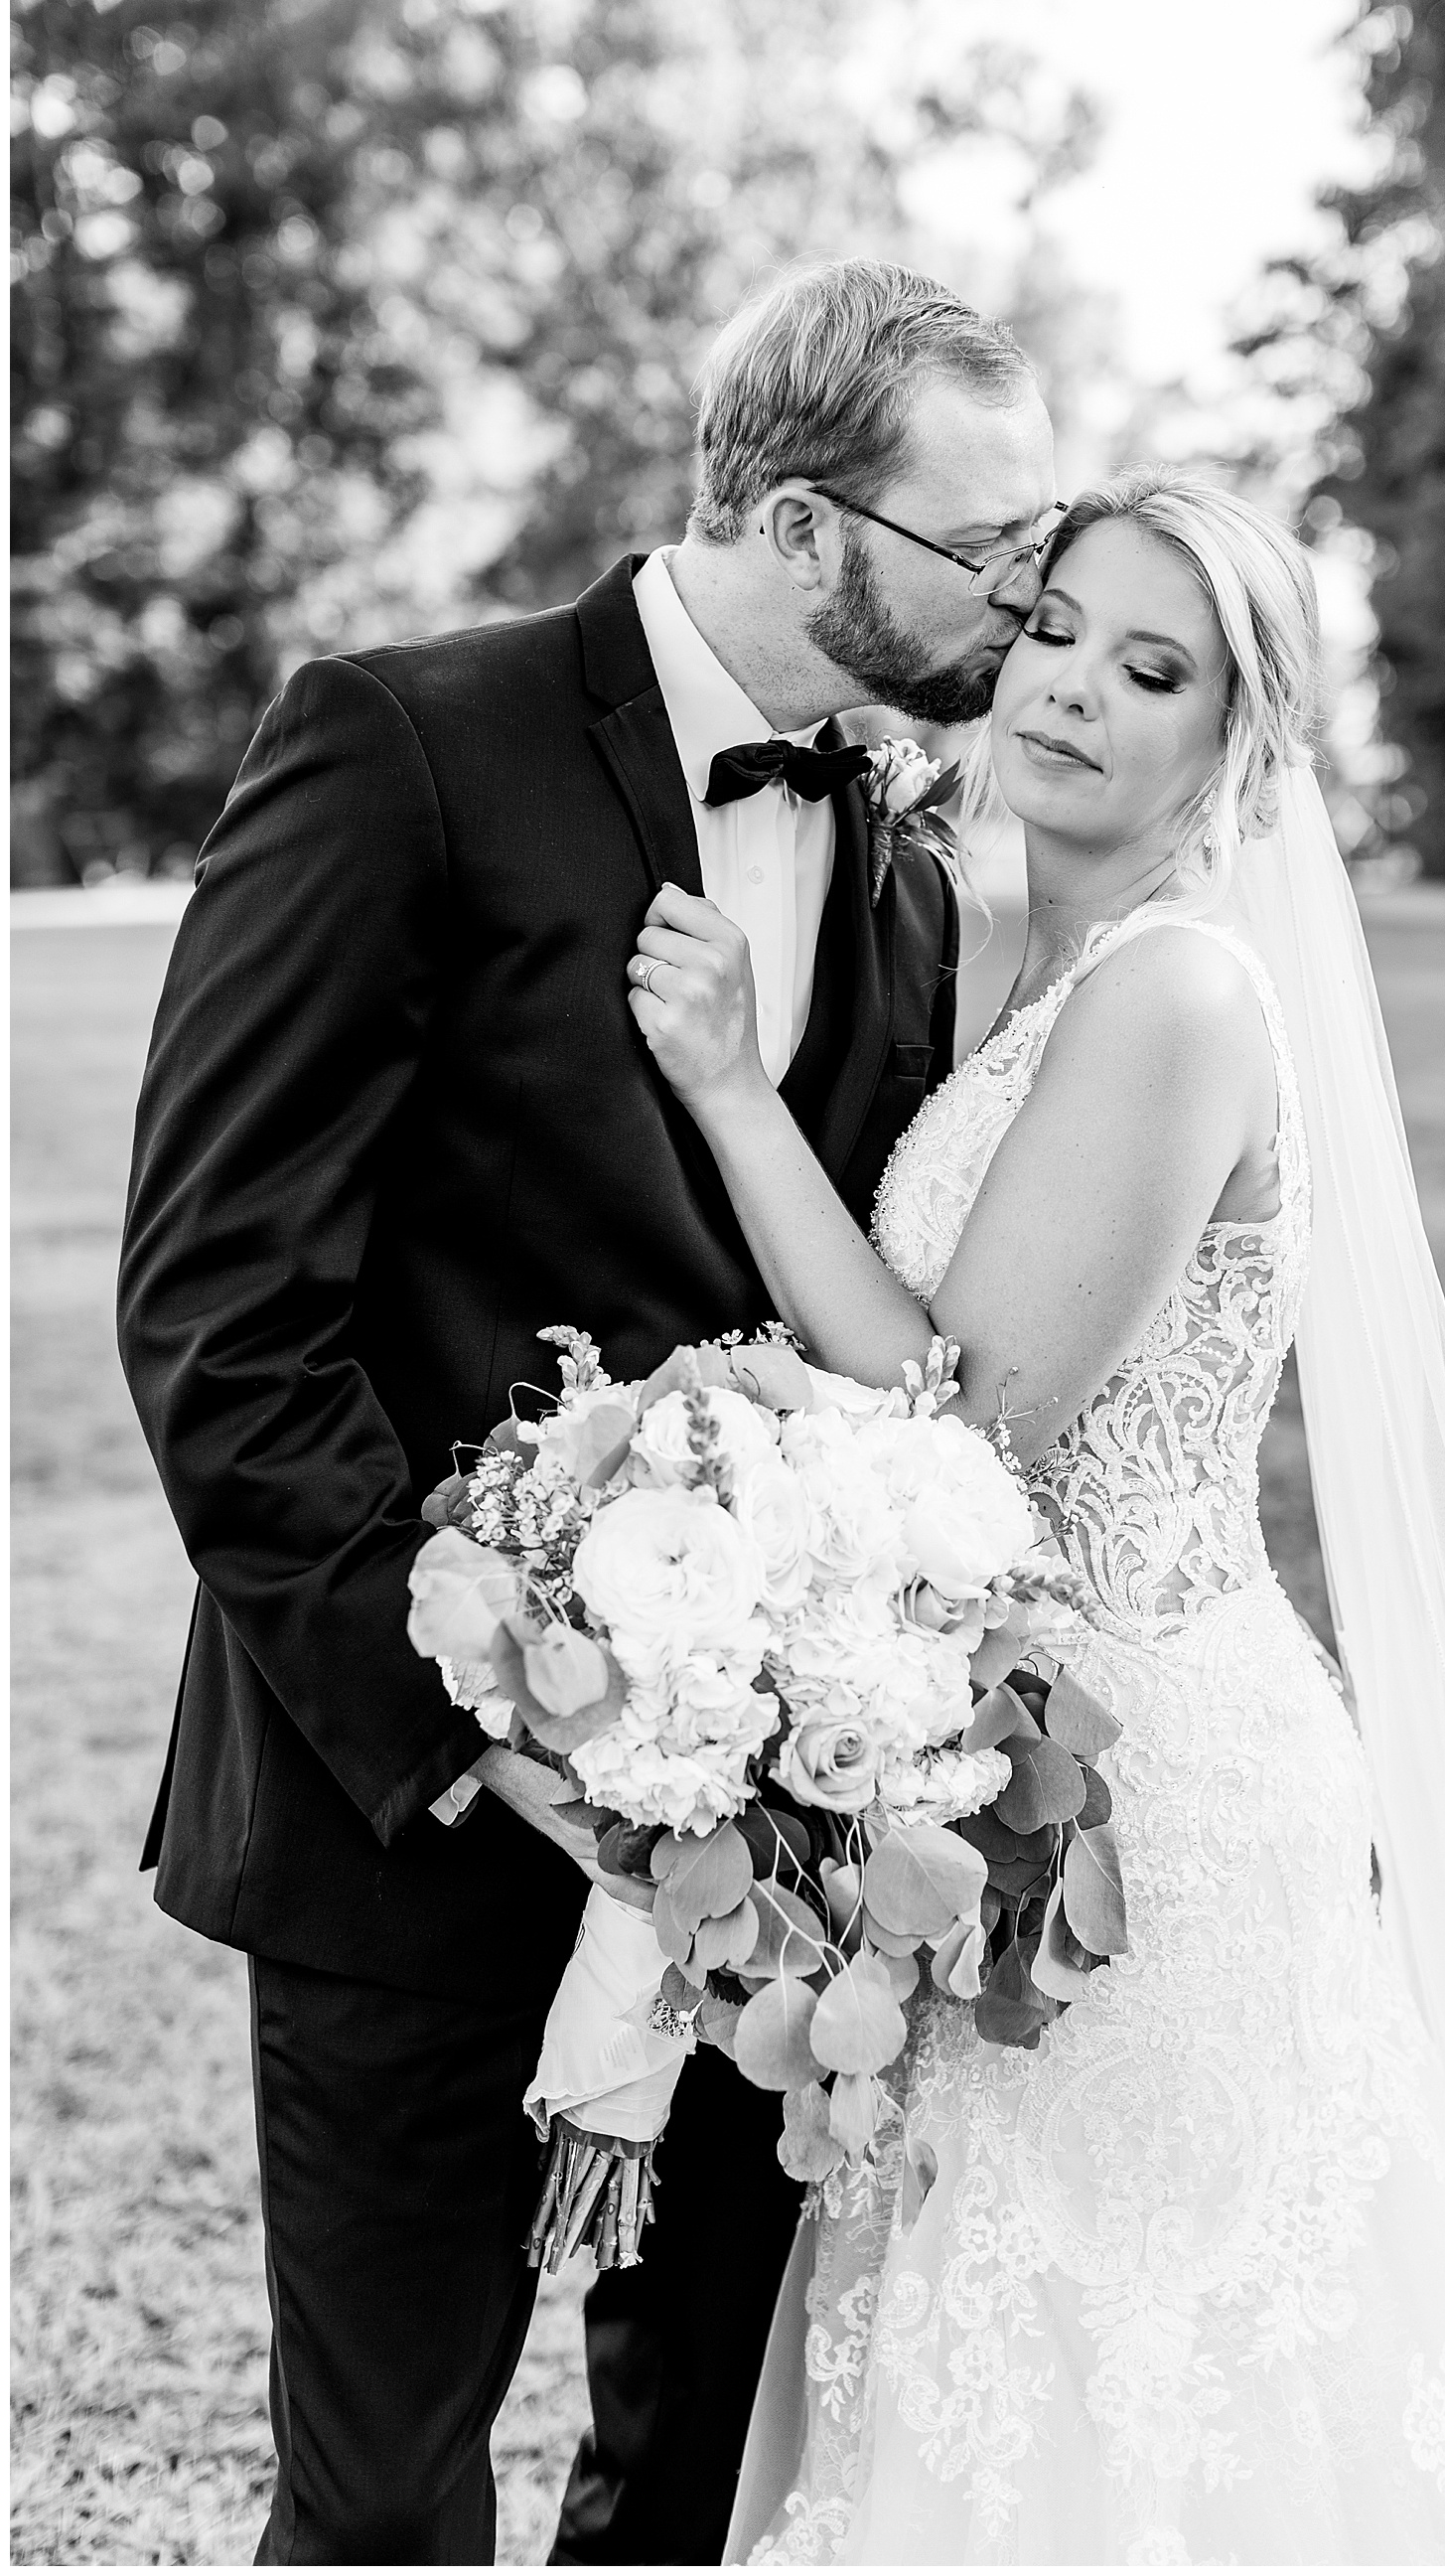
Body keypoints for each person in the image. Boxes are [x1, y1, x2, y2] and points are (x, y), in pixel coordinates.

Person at [624, 467, 1445, 2563]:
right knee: (1012, 2366)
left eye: (1149, 669)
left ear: (1237, 743)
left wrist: (718, 1087)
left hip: (1161, 1804)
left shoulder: (1180, 996)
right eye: (1053, 630)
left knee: (1175, 2385)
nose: (1069, 690)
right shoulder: (1008, 971)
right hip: (1005, 1782)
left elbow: (957, 1409)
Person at [115, 256, 1059, 2565]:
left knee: (692, 2500)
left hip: (788, 1855)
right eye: (985, 547)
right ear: (812, 525)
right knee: (383, 2505)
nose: (1023, 606)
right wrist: (475, 1739)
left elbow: (857, 1326)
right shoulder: (402, 737)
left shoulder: (911, 862)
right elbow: (221, 1298)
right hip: (410, 1819)